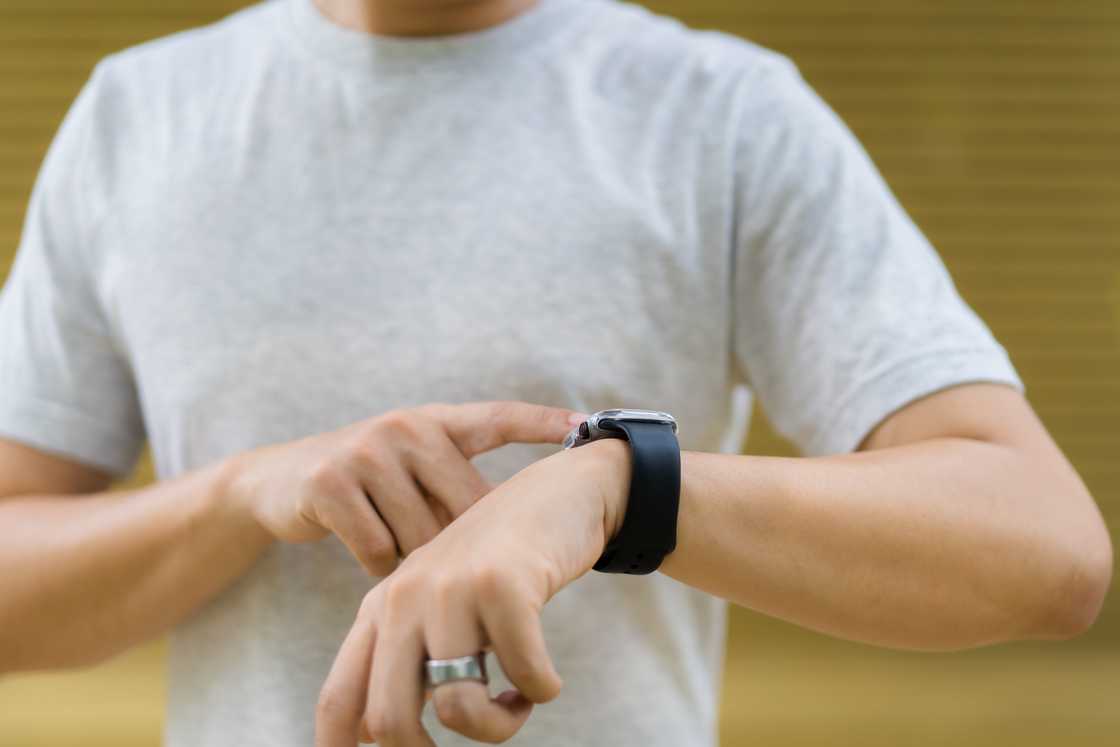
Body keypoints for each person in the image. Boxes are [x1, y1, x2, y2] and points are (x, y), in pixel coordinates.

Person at [0, 0, 1111, 745]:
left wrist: (619, 485)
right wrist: (236, 496)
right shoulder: (133, 119)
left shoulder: (722, 114)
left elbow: (1044, 549)